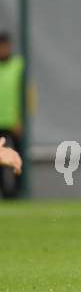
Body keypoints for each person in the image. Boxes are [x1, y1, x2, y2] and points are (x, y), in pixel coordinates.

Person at [0, 32, 24, 198]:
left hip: (13, 121)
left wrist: (19, 119)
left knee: (17, 157)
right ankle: (4, 191)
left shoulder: (18, 65)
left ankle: (16, 192)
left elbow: (24, 93)